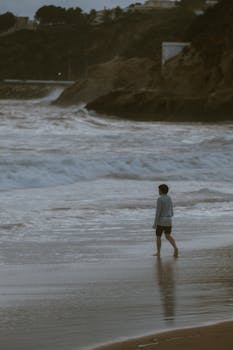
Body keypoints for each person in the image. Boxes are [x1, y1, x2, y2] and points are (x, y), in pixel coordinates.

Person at [153, 184, 178, 257]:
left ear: (161, 190)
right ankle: (175, 248)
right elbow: (172, 210)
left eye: (159, 190)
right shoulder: (169, 198)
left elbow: (158, 212)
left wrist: (155, 223)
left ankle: (158, 252)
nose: (158, 191)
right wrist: (170, 216)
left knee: (158, 236)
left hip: (161, 220)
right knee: (168, 236)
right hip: (168, 220)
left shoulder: (160, 199)